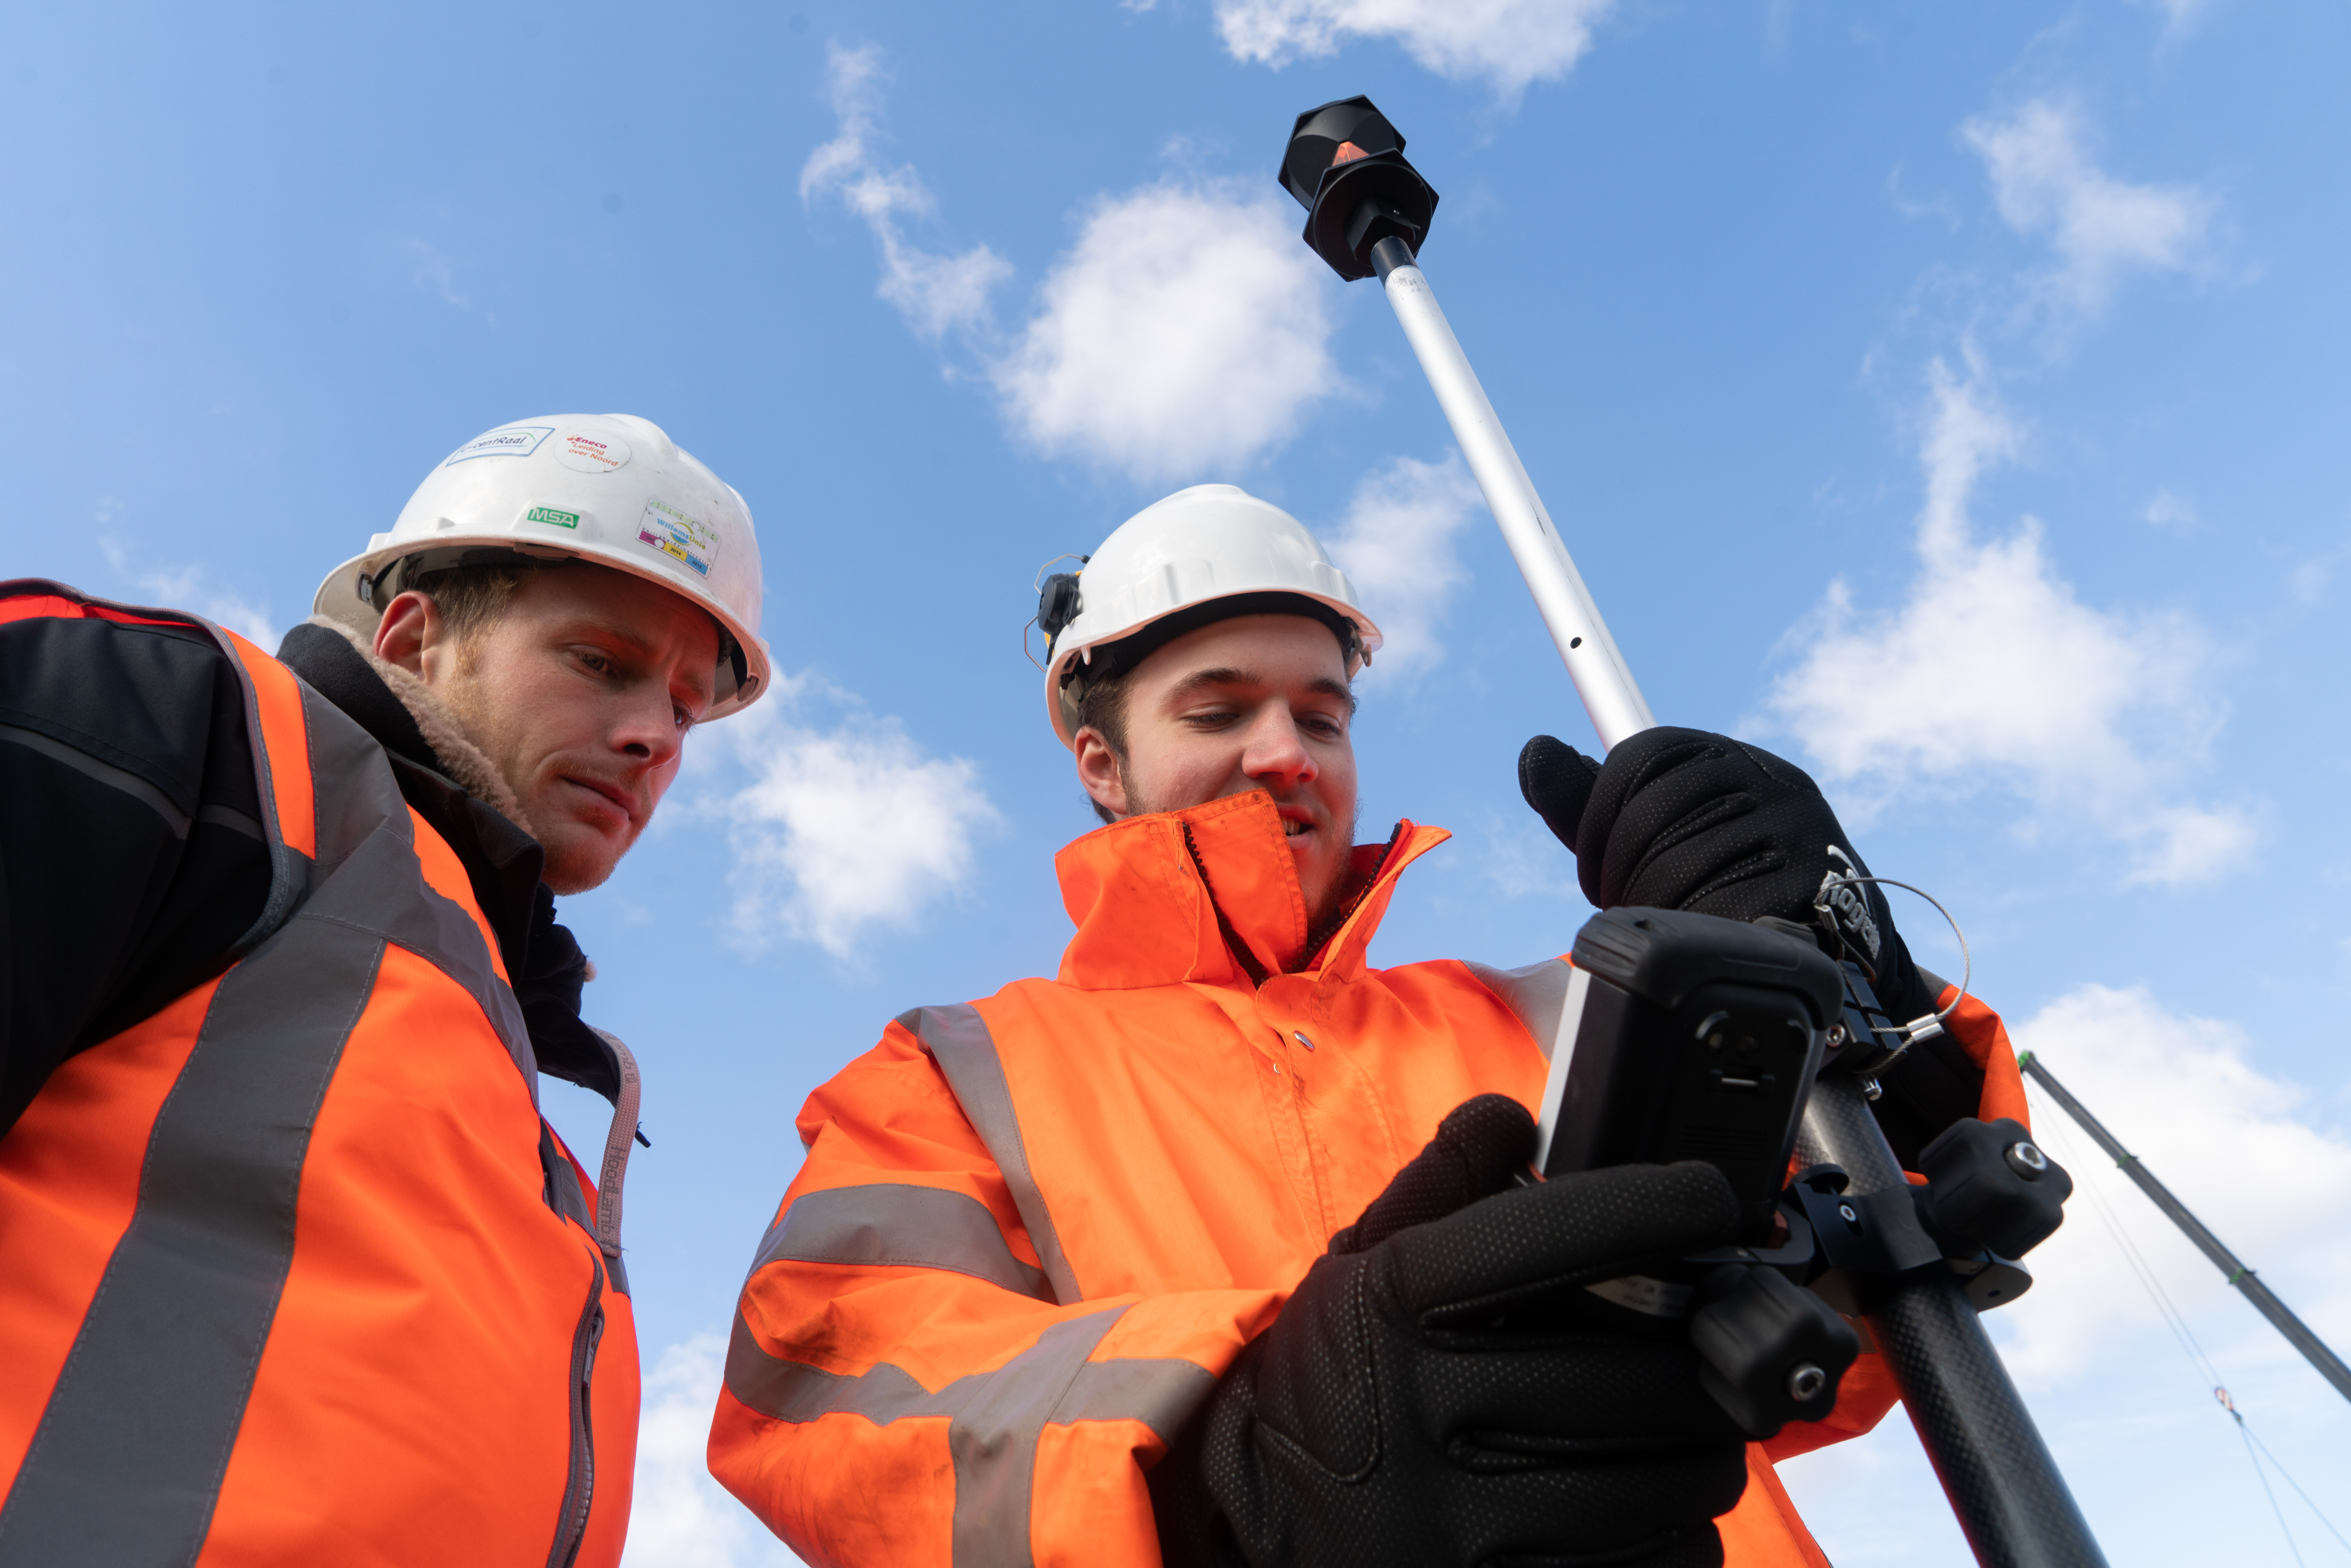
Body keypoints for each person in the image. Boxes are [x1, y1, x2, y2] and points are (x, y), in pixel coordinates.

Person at [708, 484, 2037, 1567]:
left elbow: (1841, 1291)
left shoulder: (1548, 1013)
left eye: (1320, 715)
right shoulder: (950, 1073)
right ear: (1098, 761)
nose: (1284, 750)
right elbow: (839, 1401)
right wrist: (1244, 1467)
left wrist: (1867, 1005)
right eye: (1218, 709)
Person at [0, 414, 767, 1567]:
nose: (650, 735)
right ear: (411, 637)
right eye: (600, 663)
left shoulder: (510, 1094)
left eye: (684, 707)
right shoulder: (170, 727)